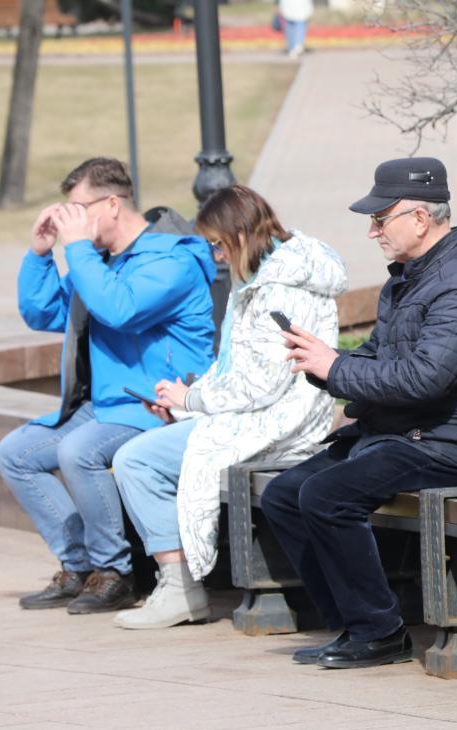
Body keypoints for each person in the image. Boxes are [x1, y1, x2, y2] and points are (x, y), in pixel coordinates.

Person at [259, 157, 457, 669]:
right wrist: (320, 361)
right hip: (404, 435)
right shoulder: (411, 277)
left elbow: (424, 379)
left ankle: (379, 632)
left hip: (452, 445)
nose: (372, 231)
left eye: (380, 219)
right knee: (285, 494)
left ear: (420, 218)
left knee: (326, 495)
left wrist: (336, 370)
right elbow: (380, 356)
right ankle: (354, 623)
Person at [110, 186, 348, 629]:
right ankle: (180, 585)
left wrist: (191, 399)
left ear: (241, 234)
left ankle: (180, 588)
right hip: (261, 415)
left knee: (135, 460)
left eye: (218, 244)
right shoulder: (262, 279)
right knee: (146, 450)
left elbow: (261, 384)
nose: (216, 256)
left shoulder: (278, 290)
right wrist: (186, 408)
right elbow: (238, 370)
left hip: (278, 424)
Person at [0, 157, 216, 614]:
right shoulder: (97, 262)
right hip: (104, 405)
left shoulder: (171, 258)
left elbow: (120, 310)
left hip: (156, 404)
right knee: (14, 453)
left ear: (112, 204)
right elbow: (45, 314)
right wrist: (40, 253)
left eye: (78, 208)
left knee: (77, 451)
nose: (69, 220)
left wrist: (75, 250)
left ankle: (115, 573)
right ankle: (79, 567)